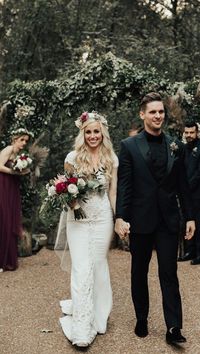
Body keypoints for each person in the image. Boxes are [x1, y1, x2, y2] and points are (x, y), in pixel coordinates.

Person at [115, 92, 195, 345]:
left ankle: (174, 328)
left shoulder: (176, 146)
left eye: (161, 112)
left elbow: (183, 184)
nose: (158, 116)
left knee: (168, 273)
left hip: (169, 220)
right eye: (153, 112)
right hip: (140, 219)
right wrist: (120, 217)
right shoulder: (129, 146)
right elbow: (125, 185)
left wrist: (190, 216)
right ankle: (141, 318)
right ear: (143, 114)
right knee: (139, 272)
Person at [56, 111, 118, 348]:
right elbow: (65, 189)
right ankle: (82, 326)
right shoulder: (72, 157)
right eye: (88, 132)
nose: (93, 136)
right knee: (82, 268)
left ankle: (99, 316)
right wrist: (72, 203)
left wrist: (116, 216)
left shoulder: (111, 158)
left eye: (96, 132)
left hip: (103, 218)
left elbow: (112, 192)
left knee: (99, 265)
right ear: (83, 134)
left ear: (103, 133)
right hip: (78, 220)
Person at [178, 121, 200, 265]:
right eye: (186, 133)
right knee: (187, 220)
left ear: (197, 133)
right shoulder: (183, 148)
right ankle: (190, 251)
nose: (189, 135)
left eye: (192, 132)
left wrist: (186, 187)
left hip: (199, 193)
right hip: (186, 194)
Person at [0, 128, 31, 272]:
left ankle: (8, 259)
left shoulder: (19, 155)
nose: (24, 143)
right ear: (14, 139)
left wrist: (23, 171)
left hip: (12, 187)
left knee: (11, 219)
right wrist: (13, 171)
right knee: (4, 219)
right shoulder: (8, 149)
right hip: (3, 187)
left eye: (26, 141)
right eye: (21, 140)